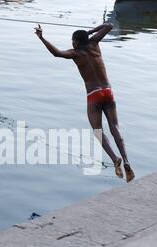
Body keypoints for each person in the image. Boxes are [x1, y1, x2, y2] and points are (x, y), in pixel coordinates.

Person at [35, 23, 135, 182]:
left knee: (97, 131)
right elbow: (109, 25)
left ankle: (115, 159)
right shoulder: (94, 43)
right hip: (108, 92)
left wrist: (42, 38)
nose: (71, 43)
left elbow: (57, 53)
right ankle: (127, 160)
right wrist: (91, 32)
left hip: (94, 95)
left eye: (72, 40)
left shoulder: (76, 53)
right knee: (115, 127)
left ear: (75, 42)